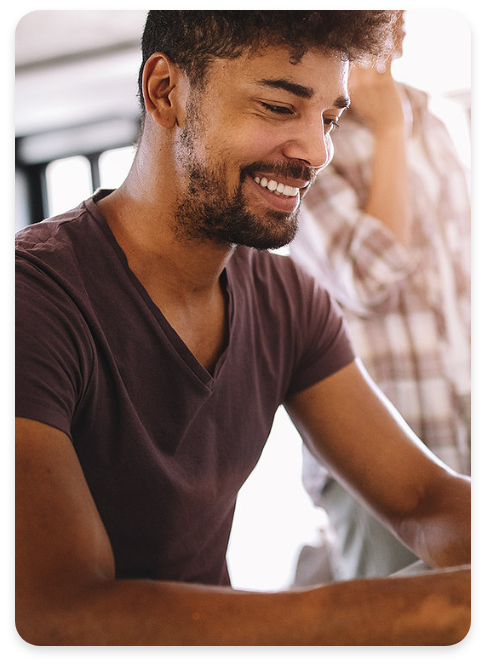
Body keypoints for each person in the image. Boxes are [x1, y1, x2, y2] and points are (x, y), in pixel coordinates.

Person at [15, 11, 470, 646]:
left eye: (329, 119)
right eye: (280, 107)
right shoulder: (35, 298)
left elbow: (423, 498)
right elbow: (57, 611)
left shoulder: (288, 299)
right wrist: (414, 610)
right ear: (165, 92)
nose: (315, 150)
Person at [290, 13, 471, 585]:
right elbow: (370, 279)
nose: (401, 26)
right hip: (374, 454)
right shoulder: (309, 139)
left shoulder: (433, 123)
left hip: (459, 428)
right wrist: (389, 130)